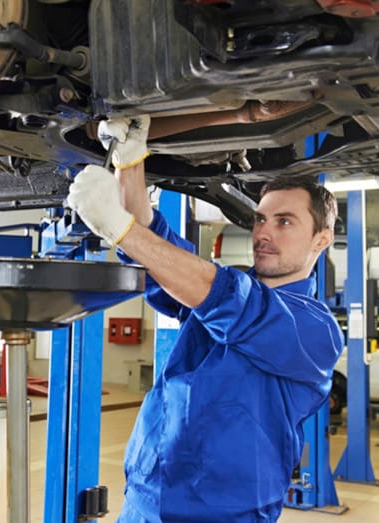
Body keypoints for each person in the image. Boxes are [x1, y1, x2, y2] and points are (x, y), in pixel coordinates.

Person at [66, 115, 344, 522]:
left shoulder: (315, 330)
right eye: (261, 219)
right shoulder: (215, 285)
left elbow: (228, 301)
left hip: (224, 514)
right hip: (148, 499)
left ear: (322, 239)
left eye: (284, 222)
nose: (264, 232)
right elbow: (161, 255)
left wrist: (118, 227)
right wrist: (131, 162)